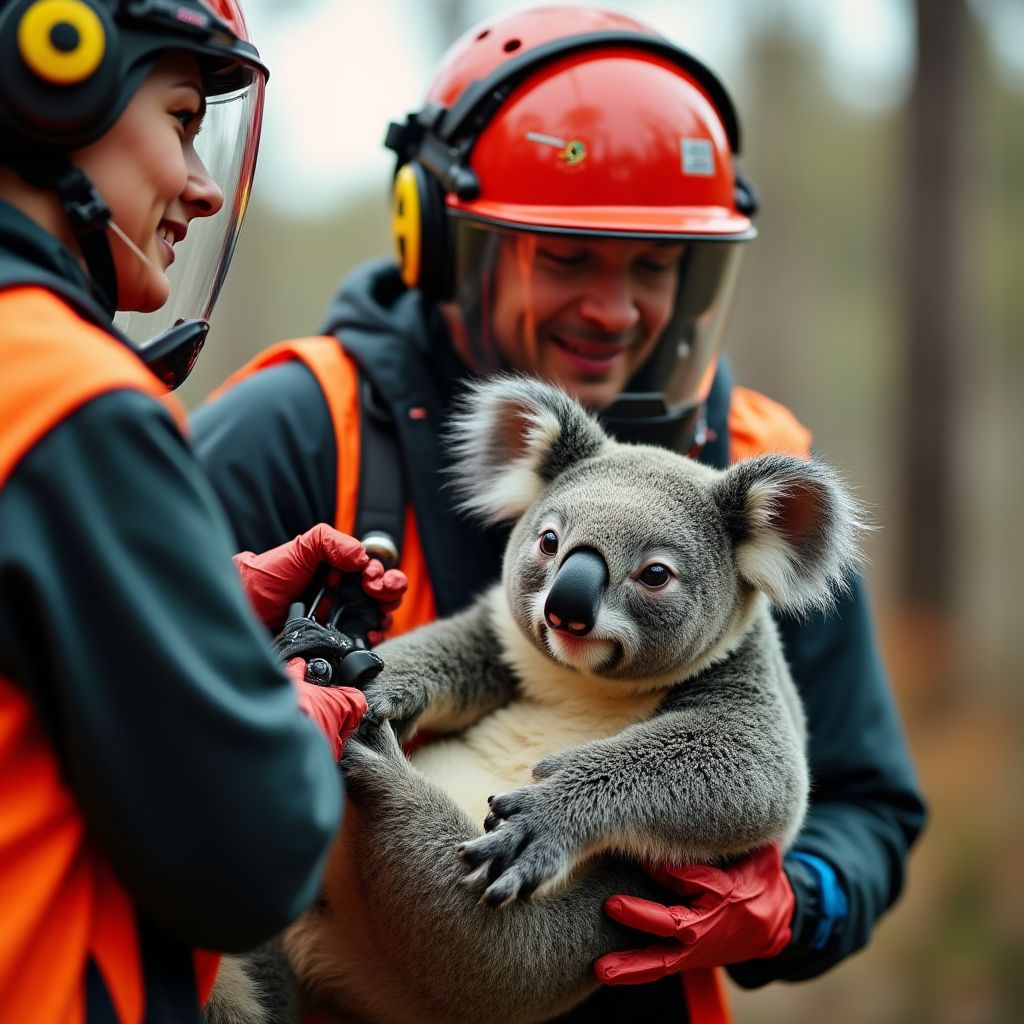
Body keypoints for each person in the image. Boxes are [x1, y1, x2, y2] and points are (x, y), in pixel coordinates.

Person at [191, 6, 926, 1022]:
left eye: (654, 264)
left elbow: (867, 807)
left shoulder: (759, 471)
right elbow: (127, 714)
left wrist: (797, 901)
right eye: (569, 256)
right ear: (440, 235)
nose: (614, 310)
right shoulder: (300, 424)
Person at [0, 1, 404, 1021]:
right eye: (182, 118)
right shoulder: (65, 396)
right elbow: (246, 854)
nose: (204, 182)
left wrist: (200, 602)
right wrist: (300, 712)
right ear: (50, 68)